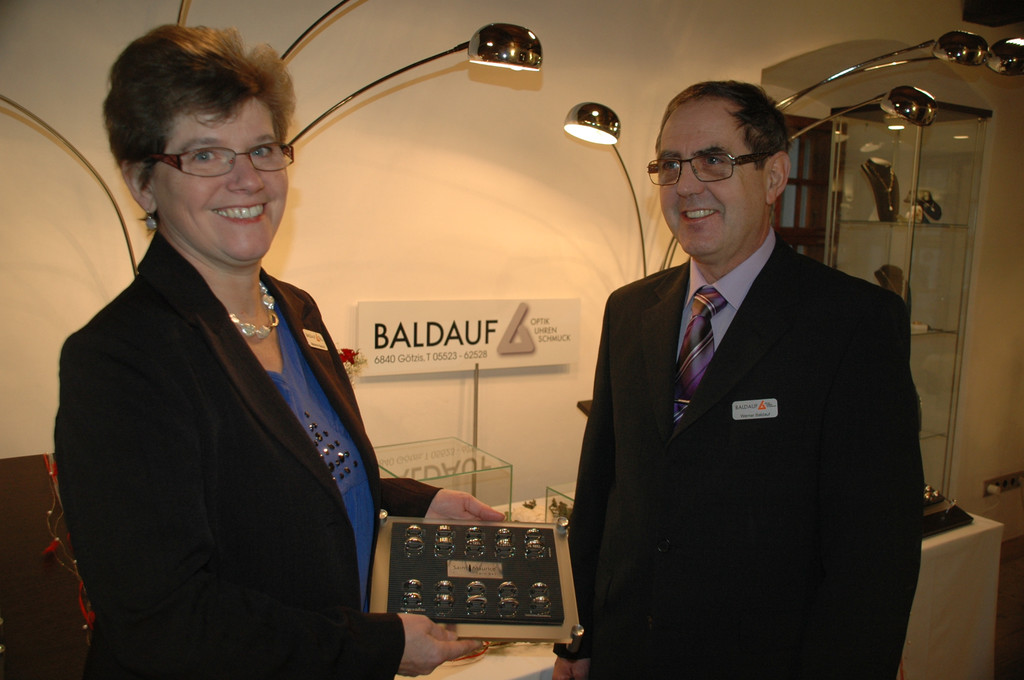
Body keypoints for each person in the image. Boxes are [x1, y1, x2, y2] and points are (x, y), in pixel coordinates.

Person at [53, 25, 502, 679]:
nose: (247, 180)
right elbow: (163, 620)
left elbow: (287, 480)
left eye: (262, 149)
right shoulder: (120, 359)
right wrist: (374, 646)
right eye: (206, 155)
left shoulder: (295, 310)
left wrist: (413, 503)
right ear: (142, 182)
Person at [553, 81, 923, 679]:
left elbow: (875, 550)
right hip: (628, 652)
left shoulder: (854, 323)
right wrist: (579, 637)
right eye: (671, 164)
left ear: (774, 176)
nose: (686, 185)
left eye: (714, 160)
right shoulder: (630, 309)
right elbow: (601, 491)